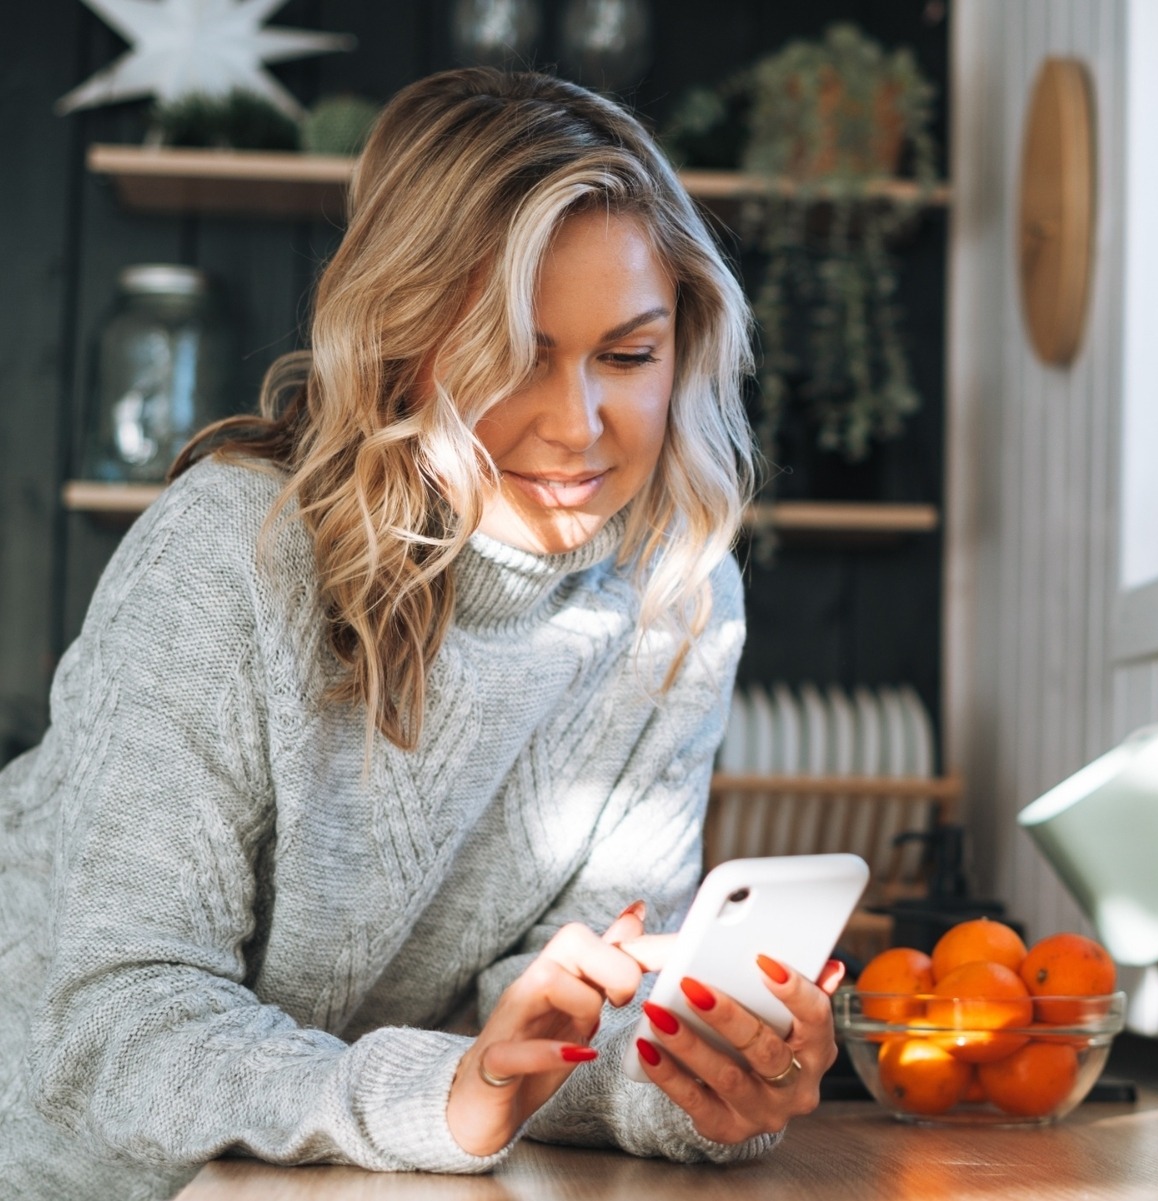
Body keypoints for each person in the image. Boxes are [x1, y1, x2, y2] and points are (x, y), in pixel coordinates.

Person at [0, 68, 843, 1199]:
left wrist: (688, 1083)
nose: (579, 423)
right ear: (402, 344)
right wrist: (441, 1092)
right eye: (514, 354)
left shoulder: (678, 595)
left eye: (629, 355)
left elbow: (550, 1011)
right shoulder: (228, 554)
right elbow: (121, 1020)